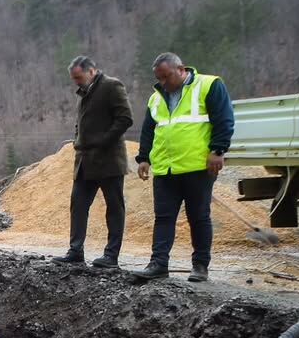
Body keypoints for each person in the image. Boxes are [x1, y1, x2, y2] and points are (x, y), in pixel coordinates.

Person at [133, 52, 235, 283]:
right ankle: (158, 264)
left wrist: (218, 150)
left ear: (181, 70)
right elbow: (149, 129)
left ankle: (200, 266)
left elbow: (224, 120)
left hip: (196, 167)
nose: (163, 82)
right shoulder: (156, 98)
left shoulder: (209, 85)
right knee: (163, 218)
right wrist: (143, 158)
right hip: (165, 169)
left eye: (166, 77)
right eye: (159, 78)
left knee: (198, 217)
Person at [54, 56, 134, 269]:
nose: (76, 82)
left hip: (109, 161)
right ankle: (75, 251)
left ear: (91, 71)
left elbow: (125, 118)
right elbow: (82, 122)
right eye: (74, 79)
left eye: (78, 77)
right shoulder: (83, 93)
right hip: (84, 161)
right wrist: (78, 139)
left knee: (114, 207)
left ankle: (111, 256)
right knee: (78, 205)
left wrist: (103, 141)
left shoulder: (111, 86)